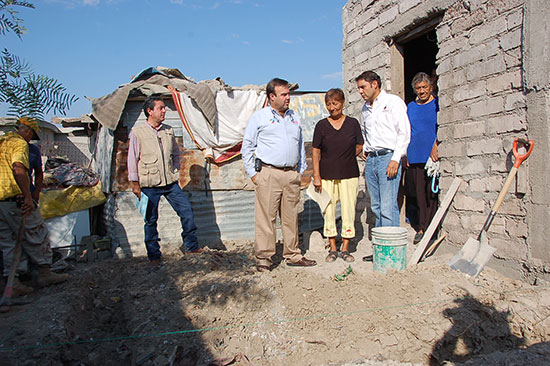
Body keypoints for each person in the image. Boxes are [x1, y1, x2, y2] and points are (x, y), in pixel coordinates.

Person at [242, 78, 317, 272]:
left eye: (288, 94)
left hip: (291, 175)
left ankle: (293, 254)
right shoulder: (259, 117)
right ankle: (264, 259)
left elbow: (300, 145)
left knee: (290, 217)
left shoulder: (294, 117)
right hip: (268, 173)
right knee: (266, 218)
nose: (288, 98)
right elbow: (247, 147)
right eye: (283, 94)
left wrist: (299, 171)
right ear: (271, 96)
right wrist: (253, 174)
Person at [128, 94, 201, 265]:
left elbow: (176, 152)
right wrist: (134, 183)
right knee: (151, 220)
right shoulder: (138, 132)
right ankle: (154, 256)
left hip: (169, 183)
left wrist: (175, 167)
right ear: (149, 111)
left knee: (186, 211)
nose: (164, 111)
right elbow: (132, 159)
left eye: (164, 108)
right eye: (160, 108)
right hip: (149, 184)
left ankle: (191, 247)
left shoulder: (168, 130)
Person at [0, 117, 68, 297]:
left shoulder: (2, 142)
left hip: (1, 202)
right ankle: (45, 273)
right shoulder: (19, 144)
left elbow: (37, 174)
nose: (30, 138)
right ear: (27, 131)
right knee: (37, 234)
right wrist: (28, 197)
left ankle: (12, 281)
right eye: (31, 134)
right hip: (16, 200)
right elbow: (19, 169)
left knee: (8, 242)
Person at [355, 71, 410, 261]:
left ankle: (391, 252)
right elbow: (366, 133)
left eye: (363, 87)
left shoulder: (393, 102)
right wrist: (366, 148)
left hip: (388, 158)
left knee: (388, 207)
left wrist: (396, 158)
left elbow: (404, 132)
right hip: (371, 160)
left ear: (375, 84)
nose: (360, 92)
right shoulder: (365, 109)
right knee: (376, 207)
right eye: (359, 88)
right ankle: (380, 250)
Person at [312, 88, 363, 263]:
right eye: (328, 104)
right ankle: (332, 247)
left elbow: (359, 146)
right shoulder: (321, 126)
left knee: (349, 208)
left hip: (349, 174)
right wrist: (316, 176)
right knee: (328, 209)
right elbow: (316, 151)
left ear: (343, 103)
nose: (332, 107)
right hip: (326, 176)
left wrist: (345, 158)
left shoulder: (353, 124)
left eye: (335, 103)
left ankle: (345, 248)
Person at [406, 72, 439, 244]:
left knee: (431, 193)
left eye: (424, 87)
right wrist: (406, 152)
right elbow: (406, 130)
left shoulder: (437, 104)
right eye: (418, 88)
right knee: (418, 193)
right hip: (414, 154)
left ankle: (432, 228)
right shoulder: (410, 106)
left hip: (431, 155)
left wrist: (436, 145)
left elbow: (442, 126)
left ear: (430, 87)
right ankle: (421, 227)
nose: (421, 91)